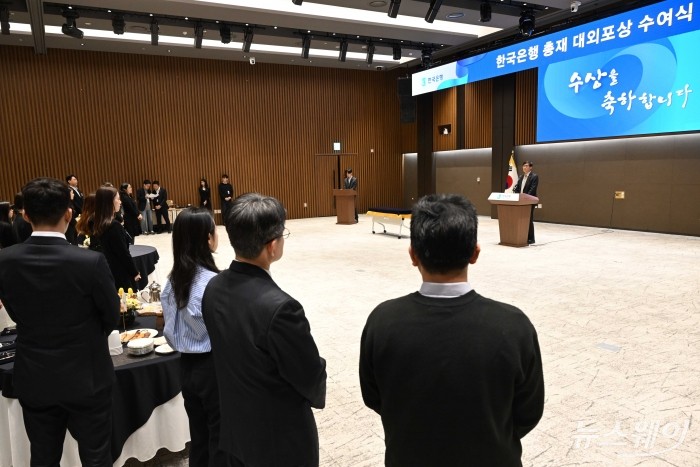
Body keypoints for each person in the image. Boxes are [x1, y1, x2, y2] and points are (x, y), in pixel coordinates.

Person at [359, 194, 544, 466]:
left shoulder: (382, 321)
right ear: (475, 253)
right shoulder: (514, 325)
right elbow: (528, 411)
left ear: (413, 255)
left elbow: (374, 396)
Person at [0, 177, 120, 466]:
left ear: (25, 215)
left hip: (34, 374)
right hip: (87, 374)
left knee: (42, 456)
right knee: (96, 456)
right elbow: (112, 315)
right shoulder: (89, 262)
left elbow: (13, 310)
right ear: (69, 213)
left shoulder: (4, 260)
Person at [202, 193, 327, 467]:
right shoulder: (281, 309)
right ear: (272, 246)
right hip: (278, 441)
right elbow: (309, 375)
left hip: (235, 429)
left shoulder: (213, 288)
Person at [161, 208, 231, 467]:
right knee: (221, 437)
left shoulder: (172, 281)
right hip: (213, 367)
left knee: (199, 435)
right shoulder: (214, 282)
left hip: (186, 366)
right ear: (207, 238)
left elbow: (170, 330)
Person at [89, 186, 141, 291]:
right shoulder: (113, 226)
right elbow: (123, 253)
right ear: (109, 202)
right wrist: (134, 271)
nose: (120, 202)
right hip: (119, 272)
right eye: (117, 199)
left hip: (104, 270)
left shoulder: (96, 222)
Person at [512, 160, 539, 244]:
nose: (525, 167)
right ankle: (523, 236)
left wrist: (524, 197)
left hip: (529, 201)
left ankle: (531, 238)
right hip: (520, 201)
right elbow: (517, 189)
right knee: (521, 219)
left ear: (530, 167)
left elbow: (532, 189)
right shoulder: (520, 177)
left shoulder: (534, 176)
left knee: (528, 219)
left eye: (527, 166)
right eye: (524, 166)